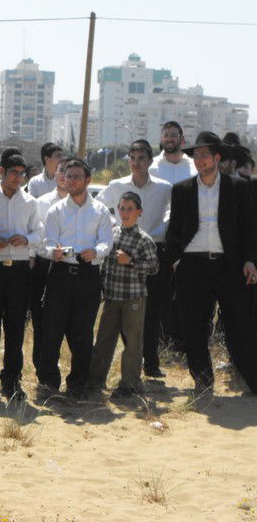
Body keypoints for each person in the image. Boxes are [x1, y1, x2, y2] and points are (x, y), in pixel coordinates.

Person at [166, 132, 257, 397]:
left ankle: (251, 381)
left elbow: (249, 228)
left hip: (228, 266)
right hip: (192, 266)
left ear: (217, 158)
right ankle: (203, 382)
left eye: (205, 154)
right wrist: (175, 261)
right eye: (196, 155)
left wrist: (251, 260)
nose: (199, 160)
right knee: (194, 327)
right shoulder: (182, 190)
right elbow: (174, 231)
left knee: (239, 326)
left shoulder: (238, 187)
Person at [96, 140, 172, 378]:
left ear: (150, 161)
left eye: (142, 159)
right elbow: (97, 206)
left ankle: (151, 363)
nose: (137, 163)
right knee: (122, 312)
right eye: (133, 158)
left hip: (152, 251)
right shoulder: (117, 185)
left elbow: (177, 212)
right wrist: (112, 228)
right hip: (122, 254)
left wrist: (164, 228)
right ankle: (130, 366)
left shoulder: (164, 187)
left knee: (152, 312)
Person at [38, 158, 113, 399]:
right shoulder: (56, 210)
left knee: (82, 333)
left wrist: (97, 251)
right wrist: (54, 252)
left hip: (88, 275)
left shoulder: (100, 210)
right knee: (52, 330)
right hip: (60, 275)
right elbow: (46, 244)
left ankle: (78, 384)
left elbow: (106, 242)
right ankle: (48, 383)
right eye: (68, 176)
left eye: (76, 176)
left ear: (88, 180)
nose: (71, 180)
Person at [0, 153, 42, 402]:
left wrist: (26, 239)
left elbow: (39, 232)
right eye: (13, 172)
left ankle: (12, 380)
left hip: (19, 270)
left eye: (22, 173)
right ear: (1, 171)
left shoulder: (30, 203)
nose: (17, 178)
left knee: (15, 328)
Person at [88, 192, 159, 397]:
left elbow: (154, 267)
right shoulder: (112, 234)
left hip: (133, 298)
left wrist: (131, 261)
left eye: (130, 209)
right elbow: (105, 265)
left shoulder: (144, 239)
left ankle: (129, 384)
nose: (125, 212)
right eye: (122, 208)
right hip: (111, 297)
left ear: (139, 212)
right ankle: (95, 382)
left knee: (132, 343)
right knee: (103, 340)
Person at [30, 156, 70, 378]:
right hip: (45, 265)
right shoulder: (41, 202)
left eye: (70, 172)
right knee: (41, 322)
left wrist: (68, 253)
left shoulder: (85, 205)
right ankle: (42, 371)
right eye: (61, 170)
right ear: (55, 174)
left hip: (71, 265)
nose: (65, 176)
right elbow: (36, 236)